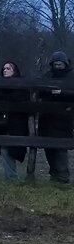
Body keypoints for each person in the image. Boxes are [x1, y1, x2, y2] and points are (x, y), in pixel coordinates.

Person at [0, 61, 29, 180]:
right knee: (5, 148)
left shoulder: (21, 84)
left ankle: (12, 177)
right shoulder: (0, 85)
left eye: (8, 68)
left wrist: (4, 97)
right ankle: (11, 177)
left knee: (10, 149)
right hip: (2, 123)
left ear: (14, 71)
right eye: (4, 68)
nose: (5, 70)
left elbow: (18, 97)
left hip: (17, 122)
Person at [38, 51, 73, 183]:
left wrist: (61, 92)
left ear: (65, 64)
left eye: (60, 64)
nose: (58, 66)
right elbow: (40, 89)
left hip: (64, 116)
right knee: (48, 146)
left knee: (61, 147)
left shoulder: (71, 76)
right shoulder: (48, 75)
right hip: (47, 116)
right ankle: (54, 174)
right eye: (56, 64)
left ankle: (63, 176)